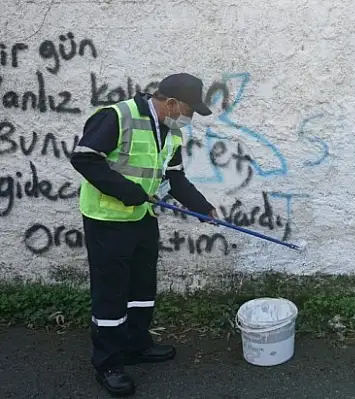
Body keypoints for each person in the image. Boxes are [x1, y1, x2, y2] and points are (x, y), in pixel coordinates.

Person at [70, 73, 218, 397]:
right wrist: (127, 191)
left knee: (141, 288)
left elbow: (176, 180)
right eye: (188, 110)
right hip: (107, 220)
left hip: (141, 218)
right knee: (111, 295)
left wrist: (204, 208)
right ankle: (108, 364)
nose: (189, 118)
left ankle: (137, 345)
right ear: (170, 103)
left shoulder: (171, 135)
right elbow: (84, 158)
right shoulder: (118, 117)